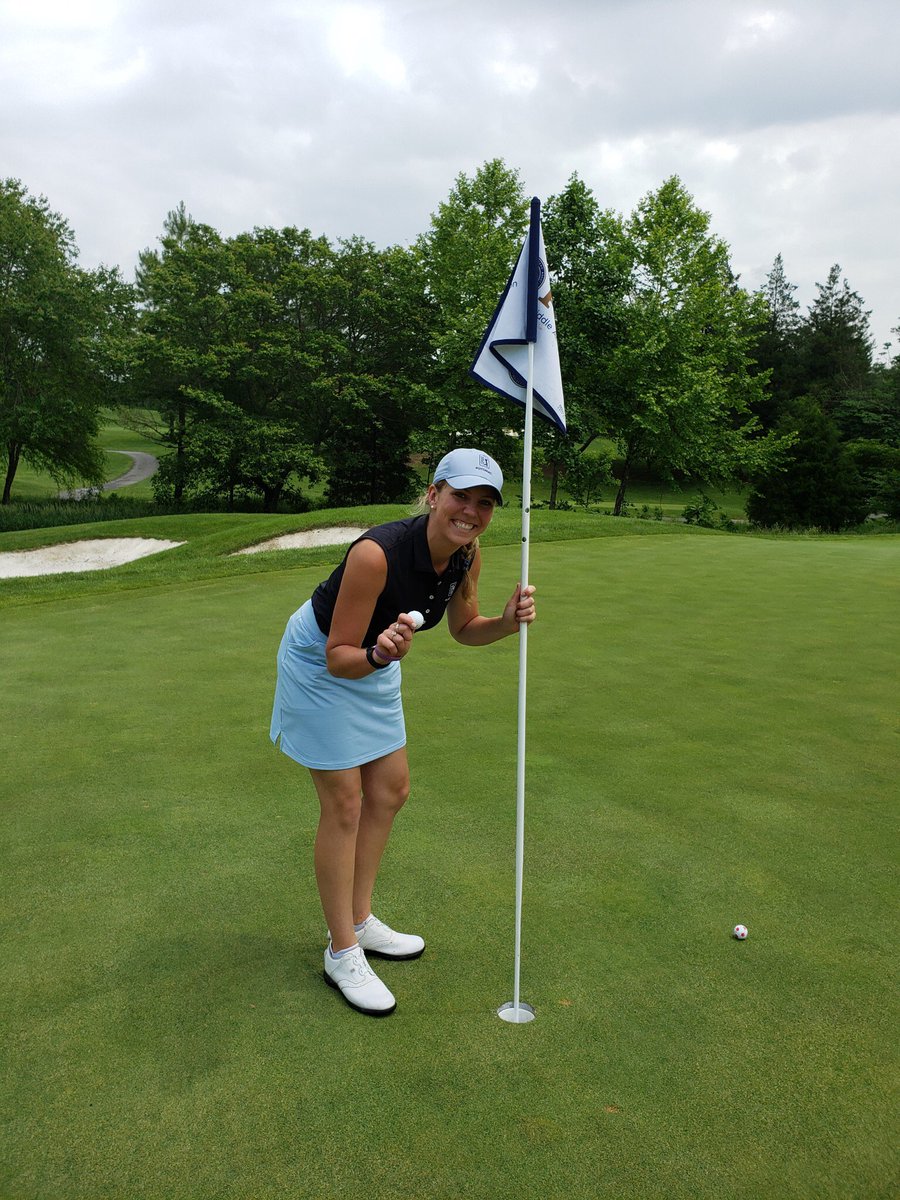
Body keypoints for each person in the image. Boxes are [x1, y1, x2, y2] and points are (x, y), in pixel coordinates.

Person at [270, 448, 536, 1017]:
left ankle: (360, 921)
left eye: (485, 503)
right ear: (434, 493)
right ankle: (341, 952)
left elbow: (464, 629)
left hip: (379, 659)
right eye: (461, 496)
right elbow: (339, 656)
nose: (471, 511)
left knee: (390, 791)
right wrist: (378, 651)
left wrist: (507, 624)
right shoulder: (377, 553)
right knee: (343, 802)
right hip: (323, 663)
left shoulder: (467, 557)